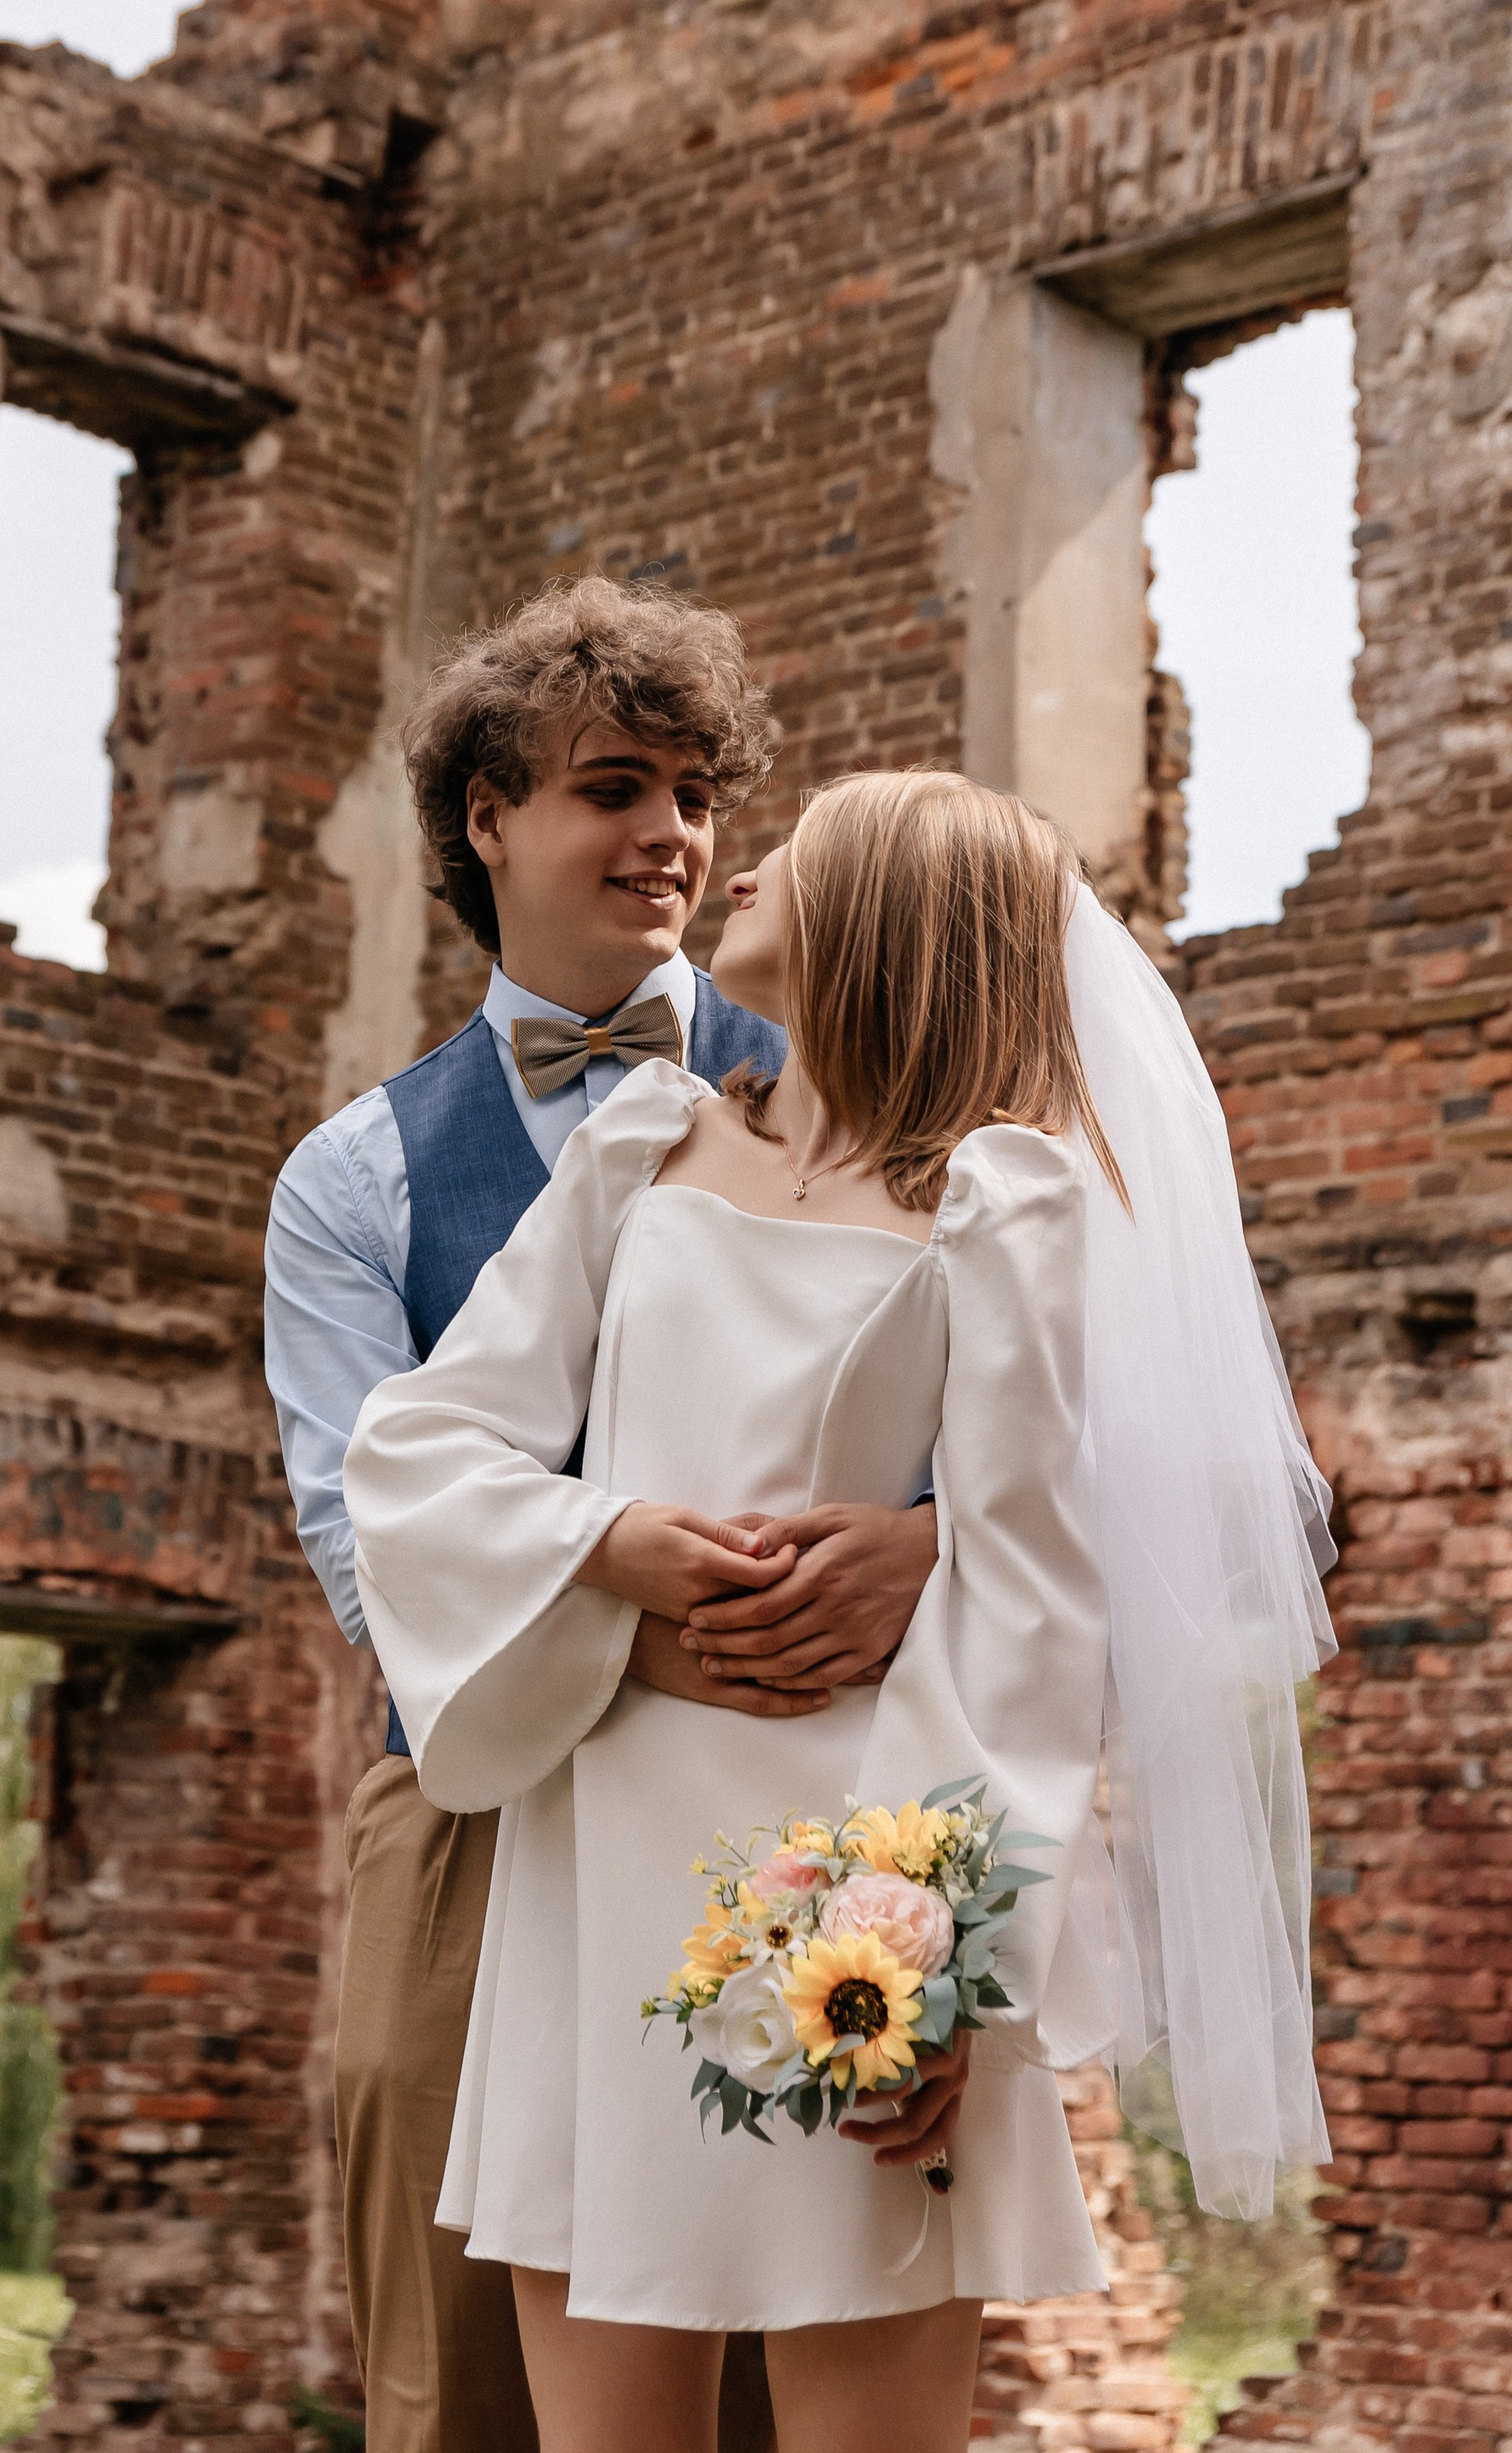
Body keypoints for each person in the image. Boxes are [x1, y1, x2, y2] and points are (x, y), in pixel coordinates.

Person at [344, 769, 1335, 2453]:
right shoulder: (640, 1147)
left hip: (854, 1897)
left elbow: (1027, 1604)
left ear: (882, 912)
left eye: (805, 840)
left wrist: (943, 1966)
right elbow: (420, 1451)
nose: (749, 859)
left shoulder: (997, 1202)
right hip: (603, 1860)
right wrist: (614, 1543)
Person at [264, 583, 943, 2453]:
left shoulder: (863, 1060)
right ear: (485, 817)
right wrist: (637, 1619)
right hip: (479, 1795)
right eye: (610, 788)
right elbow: (355, 1544)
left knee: (806, 2334)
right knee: (471, 2380)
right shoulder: (355, 1176)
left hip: (802, 1786)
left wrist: (931, 1542)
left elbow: (1063, 1415)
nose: (671, 835)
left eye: (696, 793)